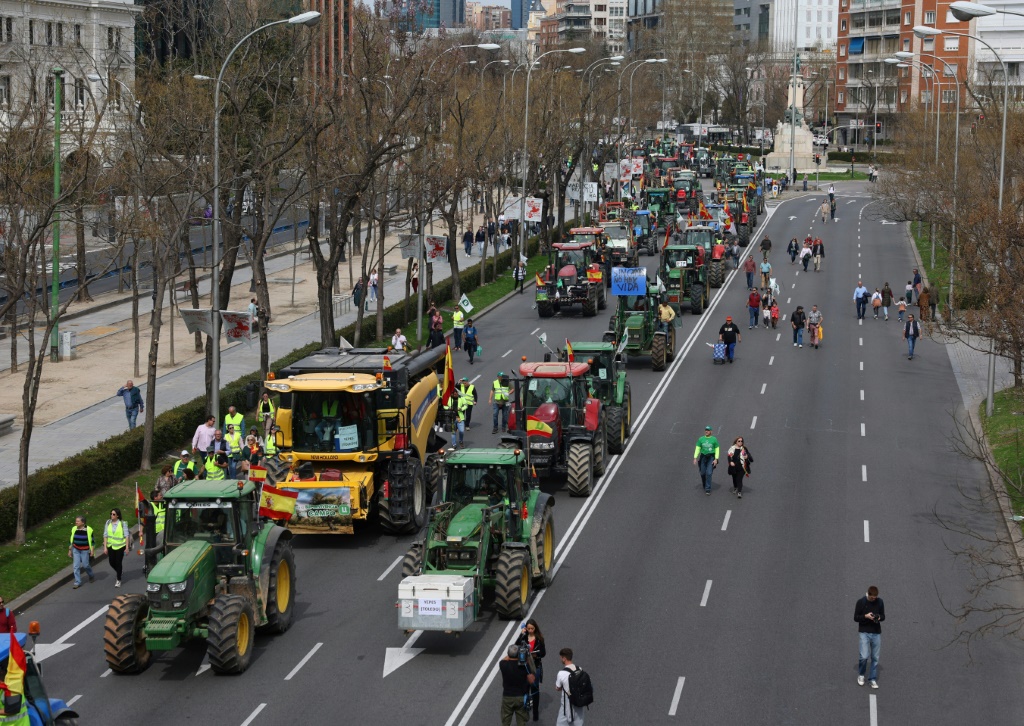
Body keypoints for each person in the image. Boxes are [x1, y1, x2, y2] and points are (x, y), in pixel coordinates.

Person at [854, 586, 885, 689]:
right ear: (868, 594)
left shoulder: (880, 602)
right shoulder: (861, 602)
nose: (874, 599)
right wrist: (865, 616)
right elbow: (856, 618)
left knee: (875, 657)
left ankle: (872, 679)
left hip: (876, 632)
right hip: (864, 632)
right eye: (872, 598)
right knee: (863, 656)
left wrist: (879, 617)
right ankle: (861, 675)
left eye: (875, 597)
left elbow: (883, 616)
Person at [516, 620, 547, 721]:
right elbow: (516, 646)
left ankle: (535, 712)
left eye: (532, 629)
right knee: (524, 689)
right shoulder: (524, 637)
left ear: (535, 628)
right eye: (528, 628)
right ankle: (524, 711)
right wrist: (521, 635)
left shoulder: (539, 639)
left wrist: (536, 654)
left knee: (535, 689)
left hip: (535, 666)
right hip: (524, 666)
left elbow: (543, 653)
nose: (530, 630)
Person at [499, 643, 535, 726]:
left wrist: (512, 654)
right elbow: (533, 674)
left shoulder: (503, 665)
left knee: (505, 721)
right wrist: (526, 656)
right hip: (521, 697)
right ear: (518, 654)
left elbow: (505, 659)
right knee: (521, 722)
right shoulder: (525, 666)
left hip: (507, 697)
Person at [555, 648, 586, 726]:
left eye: (561, 657)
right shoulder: (580, 669)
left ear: (564, 658)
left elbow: (557, 687)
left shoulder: (561, 673)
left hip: (566, 706)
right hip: (578, 704)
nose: (561, 659)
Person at [103, 508, 131, 588]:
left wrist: (127, 547)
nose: (112, 515)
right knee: (111, 562)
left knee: (118, 562)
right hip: (111, 546)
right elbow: (105, 535)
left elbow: (126, 536)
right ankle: (119, 571)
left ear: (118, 515)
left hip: (120, 546)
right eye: (111, 514)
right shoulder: (108, 523)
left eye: (114, 514)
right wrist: (105, 547)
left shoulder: (123, 523)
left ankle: (118, 579)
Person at [68, 516, 95, 589]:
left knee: (85, 565)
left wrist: (92, 551)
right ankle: (77, 582)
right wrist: (70, 550)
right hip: (76, 549)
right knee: (76, 566)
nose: (76, 522)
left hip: (85, 550)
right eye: (76, 521)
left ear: (83, 522)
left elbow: (92, 542)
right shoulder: (74, 529)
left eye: (78, 521)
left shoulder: (88, 530)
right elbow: (71, 540)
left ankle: (91, 575)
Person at [692, 425, 720, 495]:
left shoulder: (714, 439)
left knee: (709, 473)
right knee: (702, 473)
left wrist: (716, 459)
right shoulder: (701, 439)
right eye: (706, 430)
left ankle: (708, 489)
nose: (706, 431)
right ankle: (704, 483)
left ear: (711, 431)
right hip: (703, 457)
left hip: (711, 457)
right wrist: (695, 457)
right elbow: (697, 448)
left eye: (708, 430)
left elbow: (717, 449)